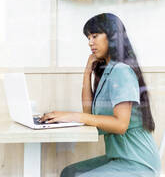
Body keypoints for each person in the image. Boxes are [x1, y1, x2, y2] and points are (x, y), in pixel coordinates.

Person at [40, 13, 161, 177]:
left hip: (138, 163)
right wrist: (86, 73)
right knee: (69, 172)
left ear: (111, 36)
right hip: (120, 157)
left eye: (95, 36)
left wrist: (74, 116)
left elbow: (120, 124)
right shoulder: (109, 70)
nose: (90, 42)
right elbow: (89, 113)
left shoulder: (121, 71)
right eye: (88, 37)